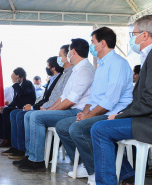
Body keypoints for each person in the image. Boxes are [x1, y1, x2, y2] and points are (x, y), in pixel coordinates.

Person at [56, 27, 133, 185]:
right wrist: (85, 112)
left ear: (102, 43)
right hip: (100, 111)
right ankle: (90, 166)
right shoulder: (101, 65)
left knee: (78, 128)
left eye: (93, 42)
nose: (91, 46)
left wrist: (88, 116)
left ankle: (96, 171)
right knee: (64, 126)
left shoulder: (118, 64)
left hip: (115, 113)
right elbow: (93, 97)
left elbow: (110, 101)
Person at [91, 15, 152, 185]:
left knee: (99, 129)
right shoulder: (149, 55)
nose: (131, 38)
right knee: (100, 126)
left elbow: (151, 101)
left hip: (150, 121)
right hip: (147, 117)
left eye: (133, 33)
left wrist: (120, 116)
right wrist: (122, 114)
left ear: (145, 35)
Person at [15, 38, 95, 172]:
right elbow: (63, 96)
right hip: (69, 108)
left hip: (76, 111)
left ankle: (37, 161)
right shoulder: (76, 70)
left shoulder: (85, 70)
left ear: (73, 51)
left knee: (36, 117)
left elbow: (71, 100)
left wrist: (48, 112)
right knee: (30, 115)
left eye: (68, 51)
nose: (68, 54)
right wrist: (50, 110)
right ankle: (30, 156)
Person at [2, 56, 64, 158]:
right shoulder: (51, 80)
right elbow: (43, 100)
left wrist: (32, 107)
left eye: (47, 66)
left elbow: (50, 100)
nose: (46, 68)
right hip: (36, 106)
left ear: (53, 67)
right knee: (11, 112)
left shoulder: (28, 83)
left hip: (47, 108)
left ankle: (24, 150)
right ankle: (15, 146)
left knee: (21, 115)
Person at [0, 67, 36, 147]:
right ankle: (2, 137)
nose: (12, 79)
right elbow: (15, 101)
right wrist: (6, 106)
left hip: (26, 108)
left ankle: (7, 139)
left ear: (20, 77)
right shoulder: (17, 86)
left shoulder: (28, 83)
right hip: (18, 107)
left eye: (13, 77)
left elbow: (22, 93)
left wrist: (16, 84)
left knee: (7, 112)